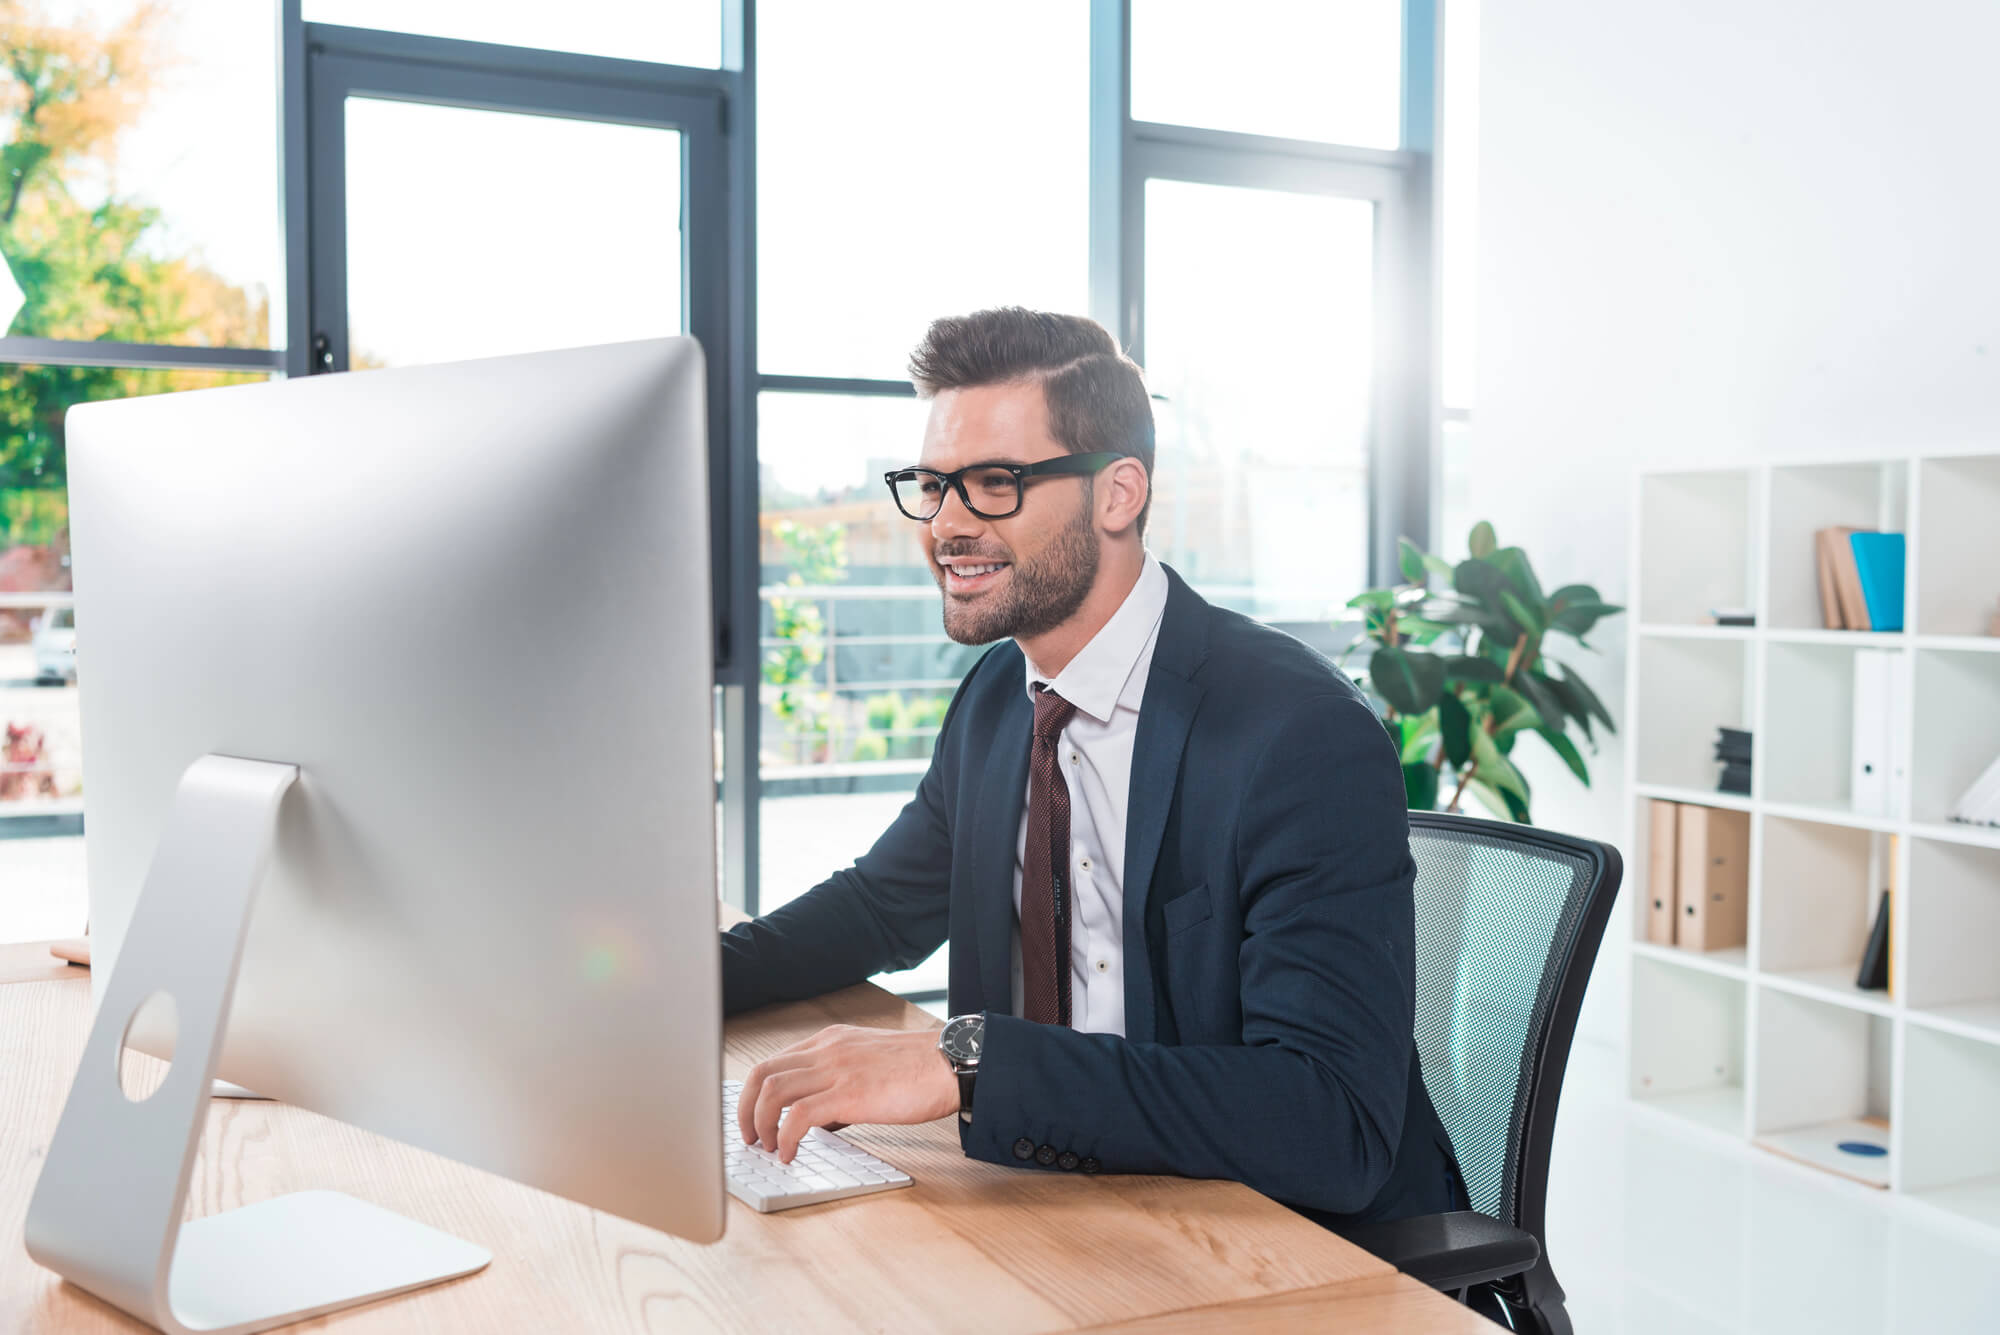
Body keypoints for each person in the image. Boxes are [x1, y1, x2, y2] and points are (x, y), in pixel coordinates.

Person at [721, 307, 1467, 1232]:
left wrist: (968, 1062)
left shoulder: (1297, 735)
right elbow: (878, 906)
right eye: (933, 484)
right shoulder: (1001, 696)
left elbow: (1329, 1119)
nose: (946, 525)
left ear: (1118, 494)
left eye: (994, 483)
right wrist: (678, 984)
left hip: (1280, 1233)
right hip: (1061, 1202)